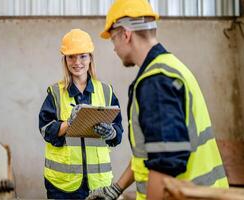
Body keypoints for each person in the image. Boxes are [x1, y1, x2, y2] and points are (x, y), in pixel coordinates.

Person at [87, 0, 229, 200]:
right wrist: (116, 189)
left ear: (126, 34)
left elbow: (164, 165)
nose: (114, 49)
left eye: (113, 40)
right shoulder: (171, 67)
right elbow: (151, 152)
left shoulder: (156, 82)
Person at [38, 28, 124, 199]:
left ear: (91, 57)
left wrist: (111, 132)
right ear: (65, 59)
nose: (77, 62)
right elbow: (45, 129)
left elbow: (118, 133)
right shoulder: (55, 93)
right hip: (63, 185)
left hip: (98, 183)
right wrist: (69, 123)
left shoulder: (106, 92)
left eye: (83, 56)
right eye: (71, 56)